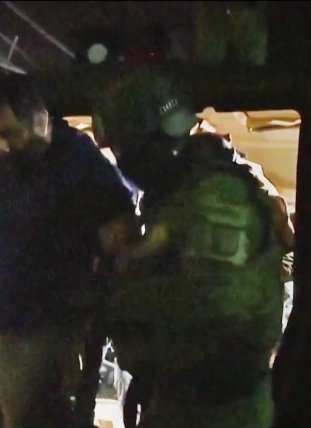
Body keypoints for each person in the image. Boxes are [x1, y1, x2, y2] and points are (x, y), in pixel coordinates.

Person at [95, 71, 284, 428]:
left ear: (153, 141)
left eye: (123, 149)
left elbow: (216, 303)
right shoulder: (175, 195)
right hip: (180, 397)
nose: (121, 161)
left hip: (221, 407)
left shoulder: (216, 194)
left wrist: (118, 295)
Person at [0, 74, 139, 428]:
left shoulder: (80, 165)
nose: (1, 145)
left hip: (47, 336)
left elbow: (120, 240)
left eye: (9, 133)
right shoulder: (5, 172)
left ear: (40, 120)